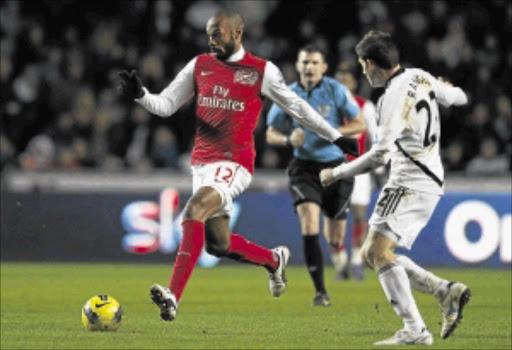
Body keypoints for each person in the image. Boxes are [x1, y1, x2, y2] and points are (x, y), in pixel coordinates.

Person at [117, 9, 358, 322]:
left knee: (194, 210)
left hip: (235, 162)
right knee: (218, 244)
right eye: (209, 34)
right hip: (201, 165)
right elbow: (165, 106)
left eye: (218, 33)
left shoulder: (261, 71)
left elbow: (298, 108)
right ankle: (273, 260)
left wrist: (336, 138)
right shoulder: (199, 65)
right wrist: (141, 95)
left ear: (237, 33)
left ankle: (173, 296)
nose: (211, 39)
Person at [320, 31, 471, 345]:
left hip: (409, 182)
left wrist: (336, 173)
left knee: (376, 252)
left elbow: (379, 156)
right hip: (430, 179)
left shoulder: (389, 100)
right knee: (376, 253)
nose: (363, 72)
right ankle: (444, 291)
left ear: (373, 64)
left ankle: (416, 329)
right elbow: (460, 98)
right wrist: (448, 87)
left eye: (363, 66)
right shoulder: (420, 75)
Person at [266, 44, 365, 306]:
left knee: (335, 238)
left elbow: (360, 124)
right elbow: (270, 132)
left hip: (336, 169)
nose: (309, 67)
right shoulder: (287, 94)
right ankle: (321, 292)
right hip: (305, 169)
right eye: (304, 63)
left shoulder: (337, 90)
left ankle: (338, 266)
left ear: (324, 67)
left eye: (314, 63)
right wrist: (288, 139)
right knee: (309, 224)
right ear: (298, 66)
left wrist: (332, 132)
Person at [333, 66, 379, 281]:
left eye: (346, 80)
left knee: (360, 215)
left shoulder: (365, 106)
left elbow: (375, 137)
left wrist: (377, 166)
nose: (343, 84)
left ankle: (357, 262)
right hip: (333, 169)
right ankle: (340, 262)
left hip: (359, 168)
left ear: (353, 83)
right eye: (339, 80)